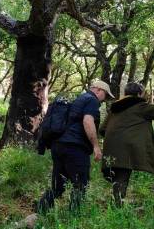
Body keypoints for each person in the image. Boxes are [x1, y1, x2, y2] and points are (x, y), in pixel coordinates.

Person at [101, 81, 154, 207]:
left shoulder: (114, 109)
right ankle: (117, 208)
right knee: (122, 177)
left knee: (118, 176)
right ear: (139, 93)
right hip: (128, 149)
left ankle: (116, 204)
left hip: (111, 149)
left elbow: (102, 129)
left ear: (125, 93)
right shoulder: (141, 106)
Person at [35, 80, 113, 214]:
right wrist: (96, 146)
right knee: (81, 184)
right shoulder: (91, 100)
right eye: (105, 96)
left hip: (59, 146)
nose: (104, 100)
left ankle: (40, 211)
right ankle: (74, 218)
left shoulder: (79, 99)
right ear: (99, 90)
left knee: (58, 185)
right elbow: (88, 121)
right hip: (75, 148)